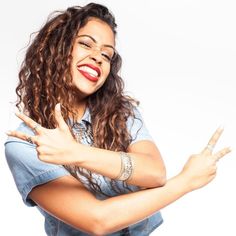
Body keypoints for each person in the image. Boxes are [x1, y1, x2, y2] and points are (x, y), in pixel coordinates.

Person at [5, 3, 231, 236]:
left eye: (107, 54)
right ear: (56, 49)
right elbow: (98, 220)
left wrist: (76, 153)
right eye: (85, 44)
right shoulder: (26, 143)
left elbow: (154, 173)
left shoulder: (121, 112)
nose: (98, 58)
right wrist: (185, 182)